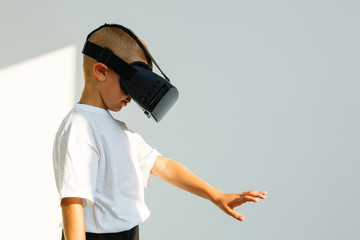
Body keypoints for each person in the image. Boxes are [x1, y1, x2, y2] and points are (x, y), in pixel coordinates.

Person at [53, 24, 267, 240]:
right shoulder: (79, 127)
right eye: (129, 84)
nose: (133, 96)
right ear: (100, 71)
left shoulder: (119, 131)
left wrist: (216, 195)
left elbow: (163, 165)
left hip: (129, 233)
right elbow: (72, 201)